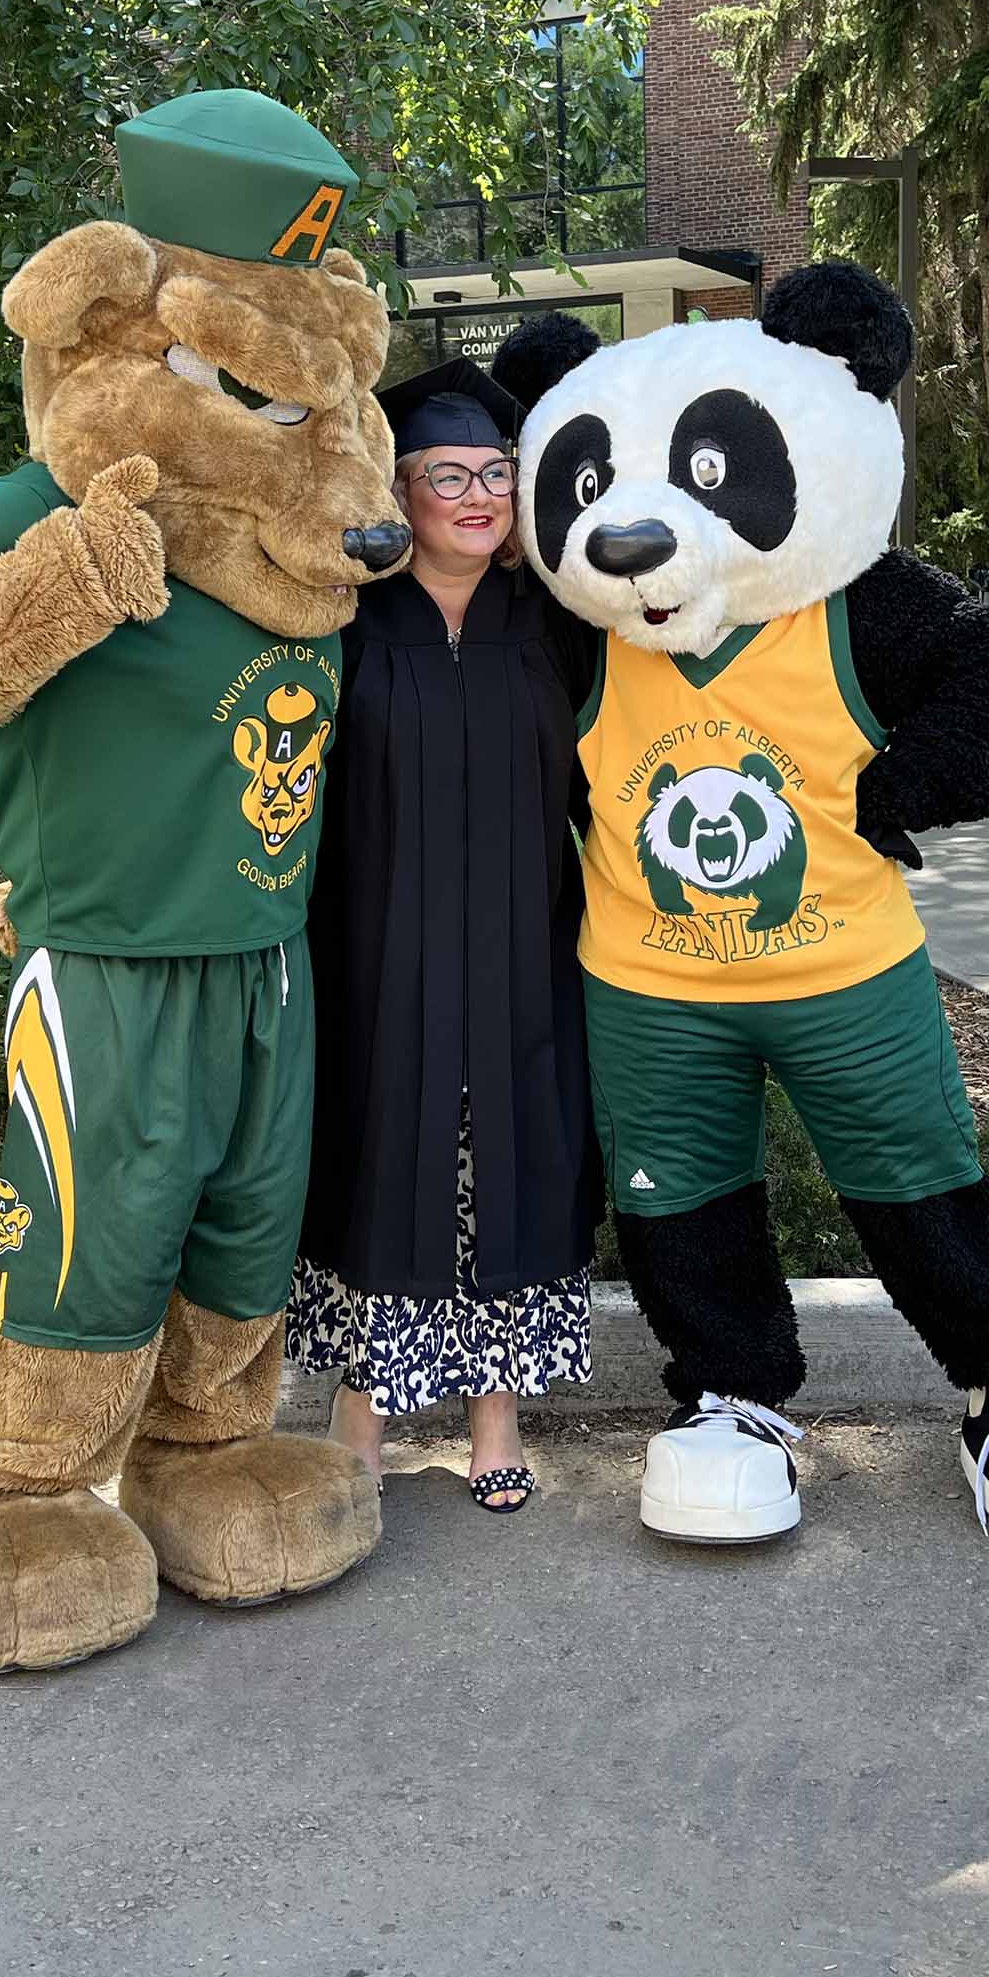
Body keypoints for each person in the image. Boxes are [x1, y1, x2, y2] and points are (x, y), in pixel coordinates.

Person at [289, 356, 597, 1513]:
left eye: (498, 473)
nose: (478, 494)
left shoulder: (555, 624)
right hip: (377, 954)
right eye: (447, 473)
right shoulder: (348, 622)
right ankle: (361, 1411)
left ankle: (495, 1415)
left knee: (510, 1162)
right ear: (398, 488)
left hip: (527, 950)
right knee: (388, 1161)